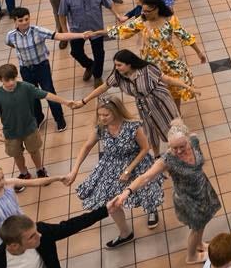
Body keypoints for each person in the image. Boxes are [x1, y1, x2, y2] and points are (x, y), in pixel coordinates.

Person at [113, 122, 221, 264]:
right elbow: (145, 177)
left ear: (188, 139)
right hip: (187, 198)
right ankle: (191, 256)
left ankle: (199, 244)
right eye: (173, 147)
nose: (178, 151)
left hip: (203, 189)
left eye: (182, 146)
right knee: (197, 227)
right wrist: (127, 192)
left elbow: (178, 122)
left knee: (203, 222)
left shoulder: (194, 141)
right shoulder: (167, 160)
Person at [64, 97, 163, 249]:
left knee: (146, 190)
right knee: (111, 200)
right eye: (100, 115)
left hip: (135, 162)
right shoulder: (101, 128)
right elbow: (87, 146)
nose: (102, 118)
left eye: (106, 115)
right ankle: (125, 233)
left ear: (116, 112)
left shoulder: (132, 126)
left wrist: (129, 169)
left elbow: (145, 148)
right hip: (111, 165)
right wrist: (74, 170)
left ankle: (152, 210)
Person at [0, 63, 76, 181]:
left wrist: (66, 102)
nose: (11, 83)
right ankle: (24, 173)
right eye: (7, 80)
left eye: (13, 79)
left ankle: (40, 169)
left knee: (34, 151)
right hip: (11, 133)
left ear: (16, 76)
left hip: (30, 129)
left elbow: (47, 95)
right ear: (0, 80)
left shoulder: (26, 87)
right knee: (16, 154)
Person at [59, 0, 116, 83]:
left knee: (99, 53)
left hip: (96, 29)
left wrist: (118, 15)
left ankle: (97, 76)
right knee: (75, 52)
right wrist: (65, 32)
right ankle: (90, 65)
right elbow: (61, 14)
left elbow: (109, 4)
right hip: (77, 30)